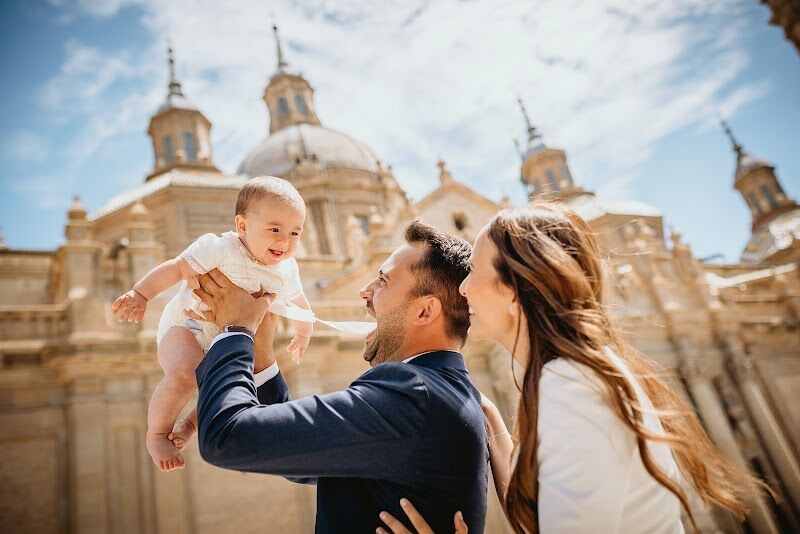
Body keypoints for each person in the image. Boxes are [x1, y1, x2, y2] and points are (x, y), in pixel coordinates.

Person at [382, 203, 767, 533]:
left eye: (474, 271)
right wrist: (490, 419)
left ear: (514, 291)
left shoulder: (572, 391)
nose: (462, 288)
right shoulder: (573, 378)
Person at [192, 221, 489, 533]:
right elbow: (300, 454)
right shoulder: (445, 392)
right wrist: (261, 354)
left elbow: (227, 436)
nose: (365, 291)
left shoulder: (412, 393)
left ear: (425, 312)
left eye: (383, 282)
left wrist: (235, 330)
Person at [111, 176, 313, 471]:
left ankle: (189, 427)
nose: (285, 240)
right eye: (275, 229)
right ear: (242, 226)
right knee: (184, 376)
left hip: (226, 339)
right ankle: (156, 434)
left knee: (225, 388)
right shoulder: (219, 248)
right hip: (187, 329)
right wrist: (140, 294)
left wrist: (304, 331)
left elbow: (300, 301)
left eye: (295, 232)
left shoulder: (286, 269)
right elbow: (177, 269)